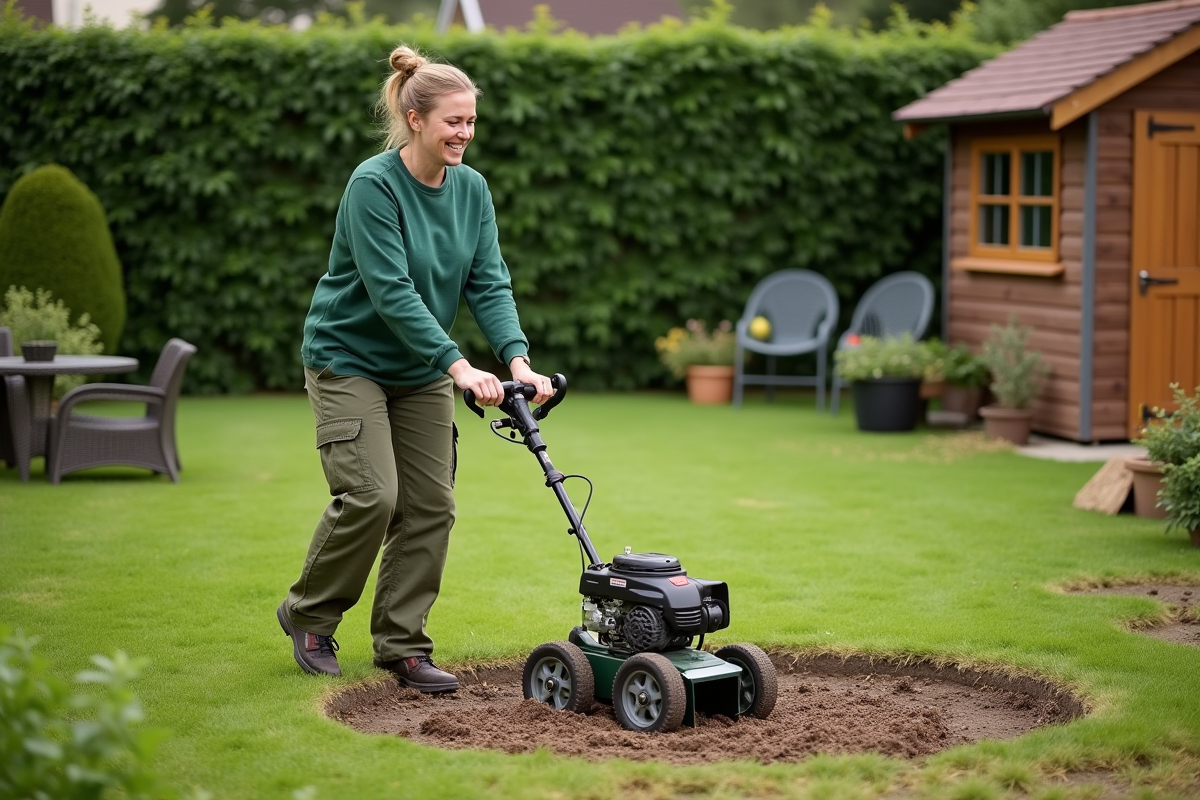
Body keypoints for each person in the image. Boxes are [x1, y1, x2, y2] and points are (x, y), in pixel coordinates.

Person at [277, 44, 553, 692]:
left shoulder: (472, 190)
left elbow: (489, 282)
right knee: (374, 495)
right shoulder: (373, 184)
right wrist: (459, 367)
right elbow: (390, 289)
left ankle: (403, 645)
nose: (464, 133)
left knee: (431, 505)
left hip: (420, 368)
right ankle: (309, 616)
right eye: (453, 121)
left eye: (471, 122)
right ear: (415, 116)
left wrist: (518, 360)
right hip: (348, 359)